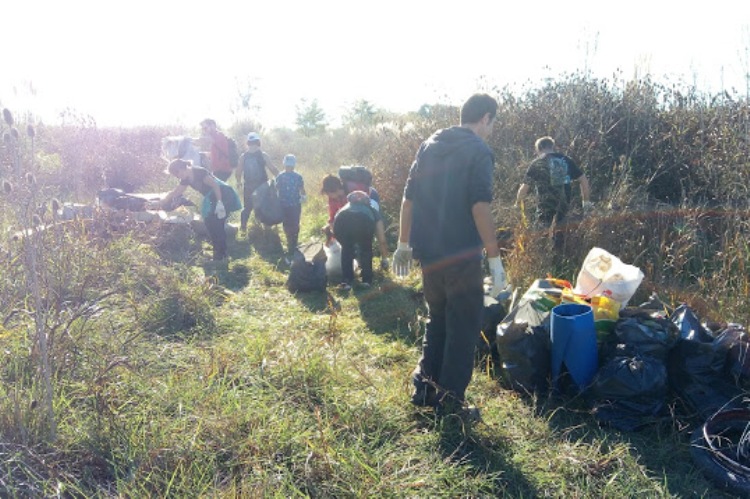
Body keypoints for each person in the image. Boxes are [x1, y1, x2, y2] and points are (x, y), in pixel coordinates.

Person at [393, 93, 508, 417]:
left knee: (438, 319)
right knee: (463, 327)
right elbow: (480, 206)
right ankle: (450, 405)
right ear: (485, 118)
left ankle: (424, 390)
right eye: (492, 123)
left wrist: (404, 244)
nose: (491, 130)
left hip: (431, 254)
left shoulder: (429, 145)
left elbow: (408, 200)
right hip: (461, 256)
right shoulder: (479, 150)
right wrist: (495, 259)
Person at [158, 159, 241, 261]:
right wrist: (161, 202)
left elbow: (215, 186)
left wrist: (220, 203)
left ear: (182, 167)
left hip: (223, 194)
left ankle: (221, 256)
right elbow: (176, 192)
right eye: (176, 175)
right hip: (212, 197)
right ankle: (220, 254)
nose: (178, 176)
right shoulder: (186, 179)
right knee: (210, 224)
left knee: (216, 224)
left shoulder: (199, 172)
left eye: (177, 173)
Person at [515, 136, 591, 227]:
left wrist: (517, 205)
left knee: (545, 234)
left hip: (544, 213)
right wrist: (586, 202)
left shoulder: (537, 163)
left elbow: (524, 188)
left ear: (538, 149)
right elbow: (583, 180)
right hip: (565, 210)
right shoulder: (566, 160)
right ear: (552, 147)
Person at [332, 190, 389, 291]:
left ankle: (346, 281)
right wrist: (385, 260)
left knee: (347, 249)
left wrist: (347, 244)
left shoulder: (344, 208)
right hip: (364, 222)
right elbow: (382, 240)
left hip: (340, 223)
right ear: (367, 201)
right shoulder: (372, 210)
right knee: (366, 248)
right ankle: (366, 280)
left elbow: (335, 226)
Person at [236, 132, 279, 231]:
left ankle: (243, 228)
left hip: (248, 186)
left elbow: (238, 172)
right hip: (262, 186)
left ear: (248, 143)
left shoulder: (243, 156)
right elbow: (273, 169)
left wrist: (239, 182)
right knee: (264, 206)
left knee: (247, 208)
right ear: (258, 142)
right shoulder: (263, 155)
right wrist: (280, 177)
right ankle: (266, 229)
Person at [275, 154, 306, 260]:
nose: (289, 167)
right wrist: (303, 196)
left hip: (287, 205)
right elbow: (301, 189)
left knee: (290, 224)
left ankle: (292, 242)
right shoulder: (296, 176)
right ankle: (292, 242)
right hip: (291, 205)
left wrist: (303, 196)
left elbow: (276, 189)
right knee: (292, 223)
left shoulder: (281, 176)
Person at [320, 174, 348, 243]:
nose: (328, 196)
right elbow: (332, 215)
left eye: (328, 193)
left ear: (335, 190)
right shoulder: (332, 199)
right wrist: (329, 225)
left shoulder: (350, 194)